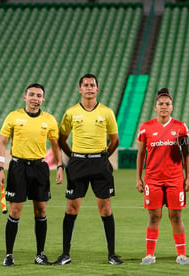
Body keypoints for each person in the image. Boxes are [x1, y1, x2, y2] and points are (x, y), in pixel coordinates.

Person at [53, 73, 123, 265]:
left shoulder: (107, 112)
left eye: (92, 85)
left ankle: (112, 254)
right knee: (71, 207)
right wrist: (74, 156)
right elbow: (61, 139)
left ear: (97, 89)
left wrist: (103, 157)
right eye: (86, 85)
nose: (89, 88)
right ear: (80, 89)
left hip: (100, 163)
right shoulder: (71, 112)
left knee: (106, 209)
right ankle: (65, 254)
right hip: (78, 163)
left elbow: (115, 140)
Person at [0, 83, 64, 266]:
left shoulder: (49, 120)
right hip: (18, 167)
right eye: (32, 94)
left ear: (43, 99)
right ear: (25, 97)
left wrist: (59, 166)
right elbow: (2, 143)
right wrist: (0, 168)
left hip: (40, 168)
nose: (35, 98)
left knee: (41, 210)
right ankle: (9, 254)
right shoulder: (13, 116)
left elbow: (55, 146)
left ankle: (40, 254)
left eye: (39, 95)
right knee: (15, 210)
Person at [136, 88, 189, 265]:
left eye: (167, 104)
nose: (164, 107)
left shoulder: (181, 127)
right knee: (154, 217)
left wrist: (187, 177)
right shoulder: (146, 128)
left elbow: (186, 154)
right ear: (155, 107)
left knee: (176, 216)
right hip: (153, 179)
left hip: (175, 179)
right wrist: (139, 178)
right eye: (161, 104)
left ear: (172, 107)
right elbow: (141, 154)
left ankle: (181, 254)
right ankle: (149, 255)